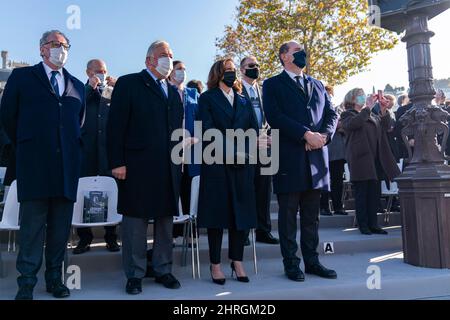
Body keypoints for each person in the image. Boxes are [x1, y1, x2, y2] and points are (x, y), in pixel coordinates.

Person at [0, 30, 85, 300]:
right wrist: (28, 144)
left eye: (65, 45)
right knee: (32, 230)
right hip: (34, 166)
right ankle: (26, 284)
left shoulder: (77, 85)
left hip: (65, 170)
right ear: (41, 49)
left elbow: (78, 125)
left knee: (60, 231)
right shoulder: (22, 77)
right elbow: (8, 117)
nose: (61, 49)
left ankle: (54, 280)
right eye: (55, 44)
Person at [107, 40, 184, 295]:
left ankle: (163, 268)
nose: (169, 59)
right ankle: (135, 274)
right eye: (164, 55)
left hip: (167, 167)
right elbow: (116, 125)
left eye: (171, 55)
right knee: (135, 222)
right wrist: (117, 161)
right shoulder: (129, 84)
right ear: (149, 60)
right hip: (136, 166)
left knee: (164, 220)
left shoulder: (173, 92)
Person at [263, 40, 338, 282]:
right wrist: (305, 134)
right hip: (289, 159)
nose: (302, 54)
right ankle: (291, 264)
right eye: (297, 51)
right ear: (284, 57)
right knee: (287, 216)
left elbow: (331, 113)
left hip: (316, 159)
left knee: (311, 217)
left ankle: (313, 262)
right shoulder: (272, 84)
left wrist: (323, 138)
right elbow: (275, 116)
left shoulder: (317, 84)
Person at [197, 58, 258, 285]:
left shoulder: (243, 100)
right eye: (227, 70)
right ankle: (215, 264)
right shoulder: (207, 98)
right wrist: (231, 149)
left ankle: (237, 261)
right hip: (217, 163)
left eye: (233, 70)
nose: (231, 74)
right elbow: (207, 128)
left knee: (239, 215)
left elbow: (253, 129)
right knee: (217, 215)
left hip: (242, 164)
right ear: (218, 73)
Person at [73, 59, 120, 255]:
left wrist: (118, 88)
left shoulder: (110, 93)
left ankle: (111, 236)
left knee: (110, 194)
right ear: (88, 72)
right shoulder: (78, 91)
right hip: (85, 153)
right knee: (83, 196)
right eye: (97, 71)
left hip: (107, 155)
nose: (101, 74)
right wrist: (89, 88)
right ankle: (85, 238)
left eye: (104, 71)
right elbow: (73, 112)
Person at [340, 88, 401, 235]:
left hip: (375, 159)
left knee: (374, 194)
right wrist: (367, 107)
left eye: (363, 95)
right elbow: (354, 124)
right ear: (352, 99)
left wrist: (383, 109)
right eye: (359, 96)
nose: (363, 98)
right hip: (360, 158)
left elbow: (387, 127)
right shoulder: (347, 114)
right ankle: (363, 225)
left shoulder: (372, 114)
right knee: (362, 193)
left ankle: (374, 224)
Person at [240, 55, 279, 245]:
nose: (254, 68)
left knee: (264, 192)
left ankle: (264, 231)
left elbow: (270, 118)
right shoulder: (235, 91)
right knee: (246, 191)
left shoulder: (265, 92)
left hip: (266, 148)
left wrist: (272, 136)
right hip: (245, 148)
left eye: (257, 65)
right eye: (250, 65)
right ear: (241, 70)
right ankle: (244, 232)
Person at [168, 61, 200, 238]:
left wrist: (195, 137)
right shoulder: (164, 90)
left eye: (185, 69)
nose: (182, 72)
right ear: (171, 71)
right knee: (172, 190)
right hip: (170, 150)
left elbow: (201, 118)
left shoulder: (193, 93)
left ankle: (190, 232)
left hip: (191, 150)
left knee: (189, 190)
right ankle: (172, 232)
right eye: (179, 68)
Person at [320, 101, 347, 216]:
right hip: (325, 150)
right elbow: (336, 124)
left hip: (338, 153)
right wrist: (338, 125)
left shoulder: (338, 110)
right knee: (325, 181)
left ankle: (338, 207)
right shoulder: (320, 110)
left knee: (338, 181)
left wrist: (341, 125)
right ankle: (324, 207)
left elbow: (344, 126)